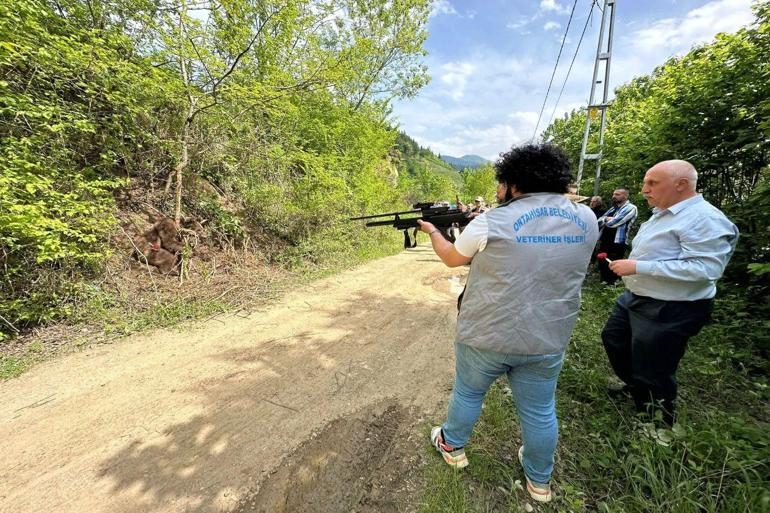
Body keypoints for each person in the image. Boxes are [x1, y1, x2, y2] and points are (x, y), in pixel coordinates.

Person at [417, 143, 599, 503]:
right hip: (549, 334)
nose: (499, 190)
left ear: (516, 183)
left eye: (502, 183)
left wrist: (434, 232)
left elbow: (453, 259)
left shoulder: (490, 220)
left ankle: (452, 446)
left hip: (487, 332)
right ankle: (539, 481)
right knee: (540, 409)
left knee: (469, 392)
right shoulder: (588, 219)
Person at [601, 160, 738, 427]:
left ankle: (658, 424)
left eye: (652, 183)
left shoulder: (704, 219)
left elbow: (707, 268)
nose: (644, 190)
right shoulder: (663, 212)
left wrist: (639, 266)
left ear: (681, 184)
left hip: (671, 306)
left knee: (654, 365)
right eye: (644, 183)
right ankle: (637, 387)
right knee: (614, 339)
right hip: (638, 297)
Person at [597, 188, 637, 284]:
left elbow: (614, 222)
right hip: (605, 239)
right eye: (613, 194)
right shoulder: (613, 208)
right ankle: (603, 284)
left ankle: (612, 284)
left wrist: (606, 219)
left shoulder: (631, 208)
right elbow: (598, 221)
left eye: (617, 194)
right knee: (602, 262)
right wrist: (607, 218)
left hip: (618, 241)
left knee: (614, 263)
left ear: (625, 196)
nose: (614, 196)